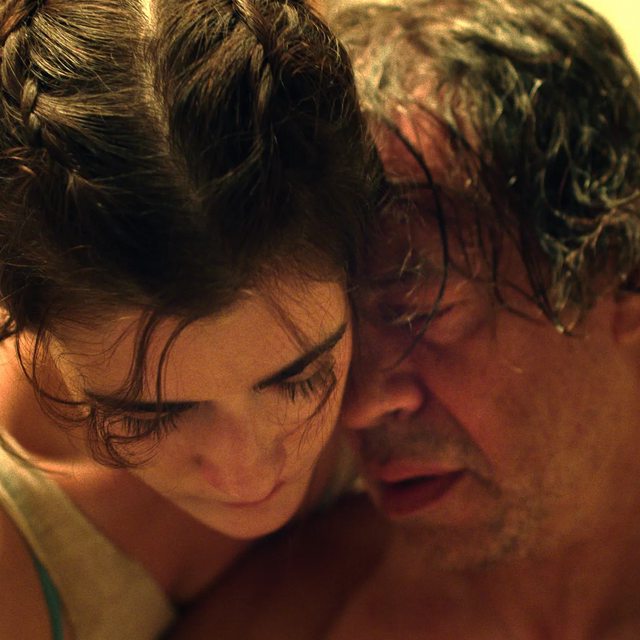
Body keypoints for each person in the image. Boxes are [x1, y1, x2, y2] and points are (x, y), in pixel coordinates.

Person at [170, 0, 640, 638]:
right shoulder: (299, 611)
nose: (358, 407)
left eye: (418, 311)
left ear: (619, 272)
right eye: (320, 349)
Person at [0, 0, 379, 637]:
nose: (247, 472)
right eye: (148, 417)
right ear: (26, 318)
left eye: (300, 379)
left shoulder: (424, 301)